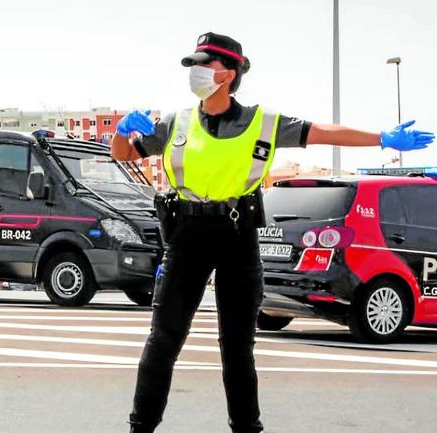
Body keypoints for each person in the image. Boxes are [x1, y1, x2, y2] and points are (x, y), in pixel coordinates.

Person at [110, 33, 434, 433]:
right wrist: (122, 132)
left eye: (203, 65)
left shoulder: (262, 123)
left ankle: (247, 429)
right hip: (187, 235)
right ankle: (140, 427)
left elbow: (323, 132)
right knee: (163, 339)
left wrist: (381, 138)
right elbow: (124, 154)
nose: (194, 72)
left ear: (228, 73)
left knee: (237, 348)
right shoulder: (176, 122)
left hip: (237, 236)